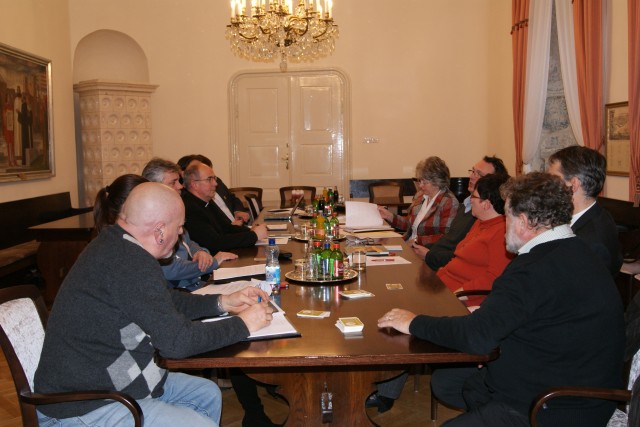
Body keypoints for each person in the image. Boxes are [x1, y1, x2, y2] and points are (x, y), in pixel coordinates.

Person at [378, 172, 625, 427]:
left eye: (507, 216)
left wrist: (413, 322)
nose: (504, 225)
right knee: (458, 383)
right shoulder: (579, 250)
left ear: (524, 222)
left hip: (552, 406)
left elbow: (477, 336)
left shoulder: (532, 268)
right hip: (573, 385)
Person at [34, 182, 273, 427]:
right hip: (86, 404)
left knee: (206, 394)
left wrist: (222, 302)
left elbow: (165, 300)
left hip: (114, 378)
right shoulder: (130, 261)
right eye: (179, 228)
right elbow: (178, 343)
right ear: (159, 231)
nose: (180, 235)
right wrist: (243, 324)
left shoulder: (117, 245)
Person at [142, 158, 237, 291]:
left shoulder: (170, 211)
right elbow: (172, 270)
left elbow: (188, 241)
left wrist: (200, 251)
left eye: (178, 181)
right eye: (173, 182)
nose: (180, 186)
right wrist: (214, 262)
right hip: (182, 293)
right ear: (155, 186)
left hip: (197, 283)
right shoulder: (151, 222)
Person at [414, 156, 508, 270]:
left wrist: (428, 254)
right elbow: (447, 241)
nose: (471, 176)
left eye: (479, 174)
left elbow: (462, 257)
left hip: (439, 265)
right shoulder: (465, 205)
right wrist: (420, 248)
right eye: (472, 171)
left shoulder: (481, 215)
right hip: (435, 261)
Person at [436, 173, 513, 307]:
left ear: (486, 204)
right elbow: (457, 259)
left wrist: (456, 294)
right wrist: (436, 278)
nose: (470, 200)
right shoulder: (480, 222)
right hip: (445, 289)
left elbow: (493, 278)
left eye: (474, 196)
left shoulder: (501, 232)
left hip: (464, 300)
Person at [547, 145, 623, 277]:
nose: (547, 186)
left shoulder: (591, 242)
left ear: (574, 185)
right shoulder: (597, 213)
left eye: (553, 179)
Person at [181, 161, 268, 254]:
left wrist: (250, 230)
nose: (215, 183)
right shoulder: (190, 208)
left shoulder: (207, 201)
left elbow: (226, 227)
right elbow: (215, 243)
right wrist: (253, 236)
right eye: (209, 179)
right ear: (194, 184)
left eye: (214, 178)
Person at [378, 156, 459, 246]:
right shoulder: (420, 196)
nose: (420, 185)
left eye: (425, 182)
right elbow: (410, 224)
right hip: (408, 244)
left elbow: (445, 236)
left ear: (437, 182)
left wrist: (417, 241)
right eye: (420, 181)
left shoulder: (449, 202)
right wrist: (389, 216)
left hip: (426, 249)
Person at [178, 154, 250, 226]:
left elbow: (232, 198)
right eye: (194, 168)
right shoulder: (190, 199)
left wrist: (237, 211)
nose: (215, 183)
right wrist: (232, 227)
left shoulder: (217, 181)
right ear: (183, 174)